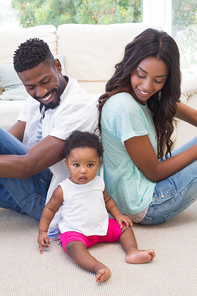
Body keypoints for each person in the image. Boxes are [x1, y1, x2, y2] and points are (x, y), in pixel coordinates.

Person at [0, 38, 98, 239]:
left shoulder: (79, 107)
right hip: (30, 184)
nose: (41, 92)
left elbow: (28, 166)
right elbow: (10, 140)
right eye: (31, 87)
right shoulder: (33, 99)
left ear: (58, 66)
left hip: (54, 198)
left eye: (45, 81)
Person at [97, 28, 197, 225]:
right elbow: (154, 172)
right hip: (145, 205)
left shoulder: (147, 96)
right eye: (141, 75)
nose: (147, 86)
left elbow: (193, 115)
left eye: (158, 80)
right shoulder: (125, 106)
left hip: (143, 187)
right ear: (131, 66)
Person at [37, 131, 156, 283]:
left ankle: (132, 251)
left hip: (102, 226)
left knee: (125, 226)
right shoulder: (63, 189)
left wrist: (118, 215)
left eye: (90, 165)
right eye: (76, 164)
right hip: (76, 232)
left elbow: (107, 200)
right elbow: (49, 209)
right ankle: (97, 267)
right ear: (67, 163)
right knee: (72, 247)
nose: (83, 170)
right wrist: (42, 231)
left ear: (99, 163)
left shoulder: (99, 182)